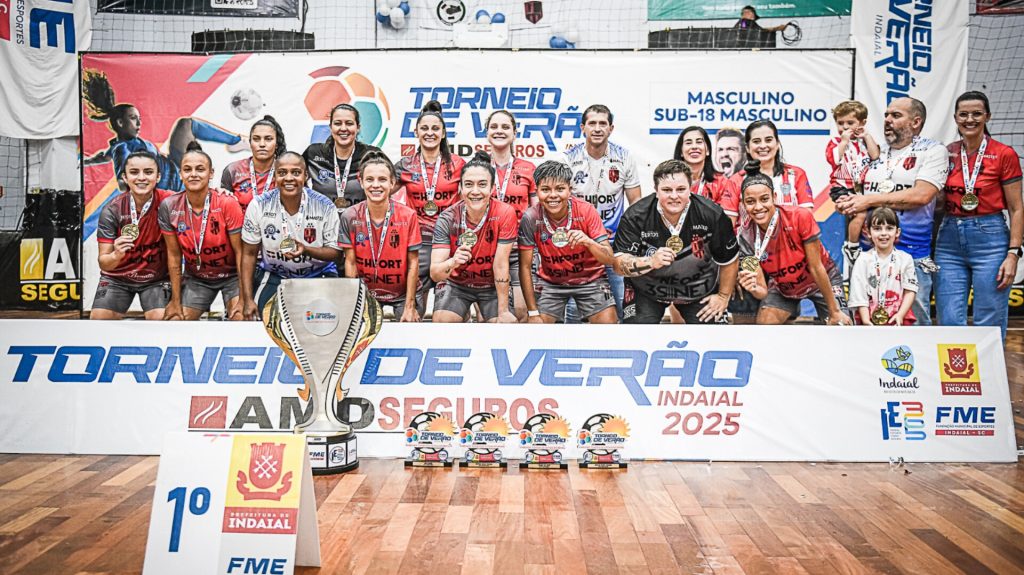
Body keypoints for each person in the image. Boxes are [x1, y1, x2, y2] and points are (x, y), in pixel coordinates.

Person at [835, 97, 948, 326]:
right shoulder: (873, 153)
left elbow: (921, 196)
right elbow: (859, 192)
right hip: (869, 255)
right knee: (865, 318)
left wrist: (867, 200)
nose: (887, 120)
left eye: (896, 116)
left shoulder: (933, 151)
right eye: (886, 115)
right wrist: (849, 202)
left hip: (912, 254)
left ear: (916, 122)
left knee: (911, 321)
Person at [935, 91, 1023, 339]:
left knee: (989, 319)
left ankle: (990, 378)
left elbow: (1017, 208)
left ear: (987, 116)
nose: (969, 119)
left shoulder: (1004, 154)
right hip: (949, 239)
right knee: (949, 319)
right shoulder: (947, 152)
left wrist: (1013, 254)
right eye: (963, 114)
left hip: (991, 238)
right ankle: (955, 379)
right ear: (955, 118)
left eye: (976, 113)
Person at [613, 160, 738, 324]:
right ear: (656, 191)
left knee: (715, 337)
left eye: (680, 189)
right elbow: (617, 264)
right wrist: (650, 261)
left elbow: (729, 259)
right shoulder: (635, 216)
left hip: (697, 289)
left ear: (690, 188)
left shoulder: (712, 214)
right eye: (666, 190)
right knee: (637, 336)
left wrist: (723, 297)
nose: (674, 196)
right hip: (647, 289)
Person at [82, 68, 246, 192]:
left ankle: (237, 141)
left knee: (185, 124)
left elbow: (102, 156)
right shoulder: (122, 149)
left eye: (139, 119)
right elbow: (123, 184)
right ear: (120, 123)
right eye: (133, 118)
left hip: (173, 164)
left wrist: (86, 161)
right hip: (176, 183)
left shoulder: (122, 145)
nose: (139, 123)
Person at [736, 165, 851, 325]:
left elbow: (816, 268)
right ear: (743, 204)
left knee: (841, 325)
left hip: (821, 280)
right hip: (784, 289)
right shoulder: (744, 237)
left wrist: (834, 312)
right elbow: (762, 291)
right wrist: (754, 288)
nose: (758, 207)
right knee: (764, 325)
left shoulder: (799, 217)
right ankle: (791, 311)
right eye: (750, 202)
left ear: (774, 197)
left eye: (764, 199)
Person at [238, 152, 341, 320]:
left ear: (306, 175)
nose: (289, 178)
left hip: (317, 274)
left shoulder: (324, 206)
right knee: (263, 321)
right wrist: (247, 300)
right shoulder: (259, 205)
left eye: (296, 172)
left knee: (322, 323)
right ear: (275, 175)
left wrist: (306, 249)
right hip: (276, 275)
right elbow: (248, 254)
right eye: (282, 172)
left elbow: (336, 253)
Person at [562, 104, 641, 320]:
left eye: (602, 124)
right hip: (578, 245)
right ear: (582, 128)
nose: (597, 128)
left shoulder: (624, 157)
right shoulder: (568, 158)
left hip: (614, 244)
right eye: (592, 123)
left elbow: (636, 205)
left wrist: (630, 243)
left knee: (621, 307)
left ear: (611, 128)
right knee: (573, 312)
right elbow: (561, 204)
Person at [518, 161, 618, 324]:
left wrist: (588, 242)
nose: (552, 195)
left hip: (591, 279)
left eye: (559, 189)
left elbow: (609, 259)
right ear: (537, 192)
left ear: (569, 190)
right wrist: (533, 312)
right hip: (551, 282)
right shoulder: (531, 217)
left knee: (608, 329)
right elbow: (525, 267)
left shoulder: (586, 210)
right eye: (545, 190)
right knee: (536, 328)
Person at [430, 151, 519, 323]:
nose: (475, 191)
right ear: (460, 188)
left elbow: (500, 264)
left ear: (492, 188)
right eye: (469, 184)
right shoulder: (447, 218)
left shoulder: (505, 212)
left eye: (482, 184)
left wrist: (503, 311)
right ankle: (463, 314)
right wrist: (453, 262)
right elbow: (435, 274)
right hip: (457, 285)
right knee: (442, 321)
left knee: (504, 324)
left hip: (491, 285)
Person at [158, 143, 244, 321]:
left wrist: (245, 297)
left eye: (200, 169)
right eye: (187, 169)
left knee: (241, 317)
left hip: (232, 277)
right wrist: (175, 300)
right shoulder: (169, 206)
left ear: (211, 173)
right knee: (177, 320)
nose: (194, 174)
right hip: (197, 278)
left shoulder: (227, 203)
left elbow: (241, 253)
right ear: (181, 174)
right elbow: (173, 256)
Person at [395, 100, 466, 312]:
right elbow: (380, 191)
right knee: (416, 308)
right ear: (416, 132)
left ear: (443, 133)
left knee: (449, 309)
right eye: (424, 128)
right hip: (418, 241)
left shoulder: (458, 164)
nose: (429, 133)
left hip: (449, 239)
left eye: (435, 128)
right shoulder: (405, 165)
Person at [339, 151, 422, 322]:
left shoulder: (408, 215)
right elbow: (351, 262)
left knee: (410, 330)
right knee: (361, 330)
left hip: (402, 294)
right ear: (361, 182)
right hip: (367, 293)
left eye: (382, 180)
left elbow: (413, 263)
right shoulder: (349, 216)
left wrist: (409, 306)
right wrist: (353, 302)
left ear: (392, 183)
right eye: (369, 179)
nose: (375, 185)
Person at [91, 151, 174, 320]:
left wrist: (220, 193)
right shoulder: (112, 210)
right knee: (99, 321)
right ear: (125, 177)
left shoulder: (170, 202)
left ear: (158, 177)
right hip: (117, 279)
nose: (141, 178)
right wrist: (116, 254)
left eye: (148, 172)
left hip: (156, 279)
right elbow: (104, 263)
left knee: (162, 320)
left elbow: (198, 198)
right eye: (134, 172)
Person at [486, 109, 537, 320]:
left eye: (505, 127)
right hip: (485, 249)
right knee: (488, 316)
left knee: (521, 312)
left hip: (518, 249)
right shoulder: (477, 167)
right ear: (487, 132)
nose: (499, 131)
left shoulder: (528, 168)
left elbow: (537, 212)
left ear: (514, 133)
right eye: (494, 127)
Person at [825, 101, 880, 266]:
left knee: (869, 216)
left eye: (850, 123)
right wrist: (843, 142)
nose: (844, 127)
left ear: (862, 123)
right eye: (840, 123)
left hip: (862, 189)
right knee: (860, 213)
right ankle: (851, 246)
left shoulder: (864, 143)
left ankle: (864, 245)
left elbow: (875, 156)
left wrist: (867, 136)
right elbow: (834, 159)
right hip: (841, 188)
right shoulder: (835, 142)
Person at [302, 103, 384, 210]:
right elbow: (295, 179)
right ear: (331, 127)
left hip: (359, 223)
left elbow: (386, 185)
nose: (343, 128)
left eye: (349, 123)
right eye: (337, 123)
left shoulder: (371, 155)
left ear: (358, 127)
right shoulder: (314, 153)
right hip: (322, 223)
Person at [849, 208, 918, 325]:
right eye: (877, 229)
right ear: (868, 232)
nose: (883, 233)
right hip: (868, 319)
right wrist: (865, 319)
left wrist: (900, 315)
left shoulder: (906, 259)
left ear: (897, 232)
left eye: (889, 228)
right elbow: (859, 292)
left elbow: (910, 289)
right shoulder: (863, 259)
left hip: (898, 318)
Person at [731, 120, 814, 211]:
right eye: (756, 141)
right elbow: (729, 223)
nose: (763, 146)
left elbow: (807, 218)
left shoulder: (796, 174)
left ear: (777, 144)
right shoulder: (736, 180)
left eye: (768, 140)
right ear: (747, 148)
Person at [673, 125, 741, 225]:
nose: (694, 147)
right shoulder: (670, 182)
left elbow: (727, 224)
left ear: (708, 150)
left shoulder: (723, 183)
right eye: (688, 143)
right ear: (681, 152)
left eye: (699, 142)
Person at [220, 115, 286, 213]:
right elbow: (224, 209)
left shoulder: (287, 172)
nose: (262, 144)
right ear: (250, 143)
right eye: (256, 139)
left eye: (268, 139)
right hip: (241, 228)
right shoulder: (233, 170)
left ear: (276, 144)